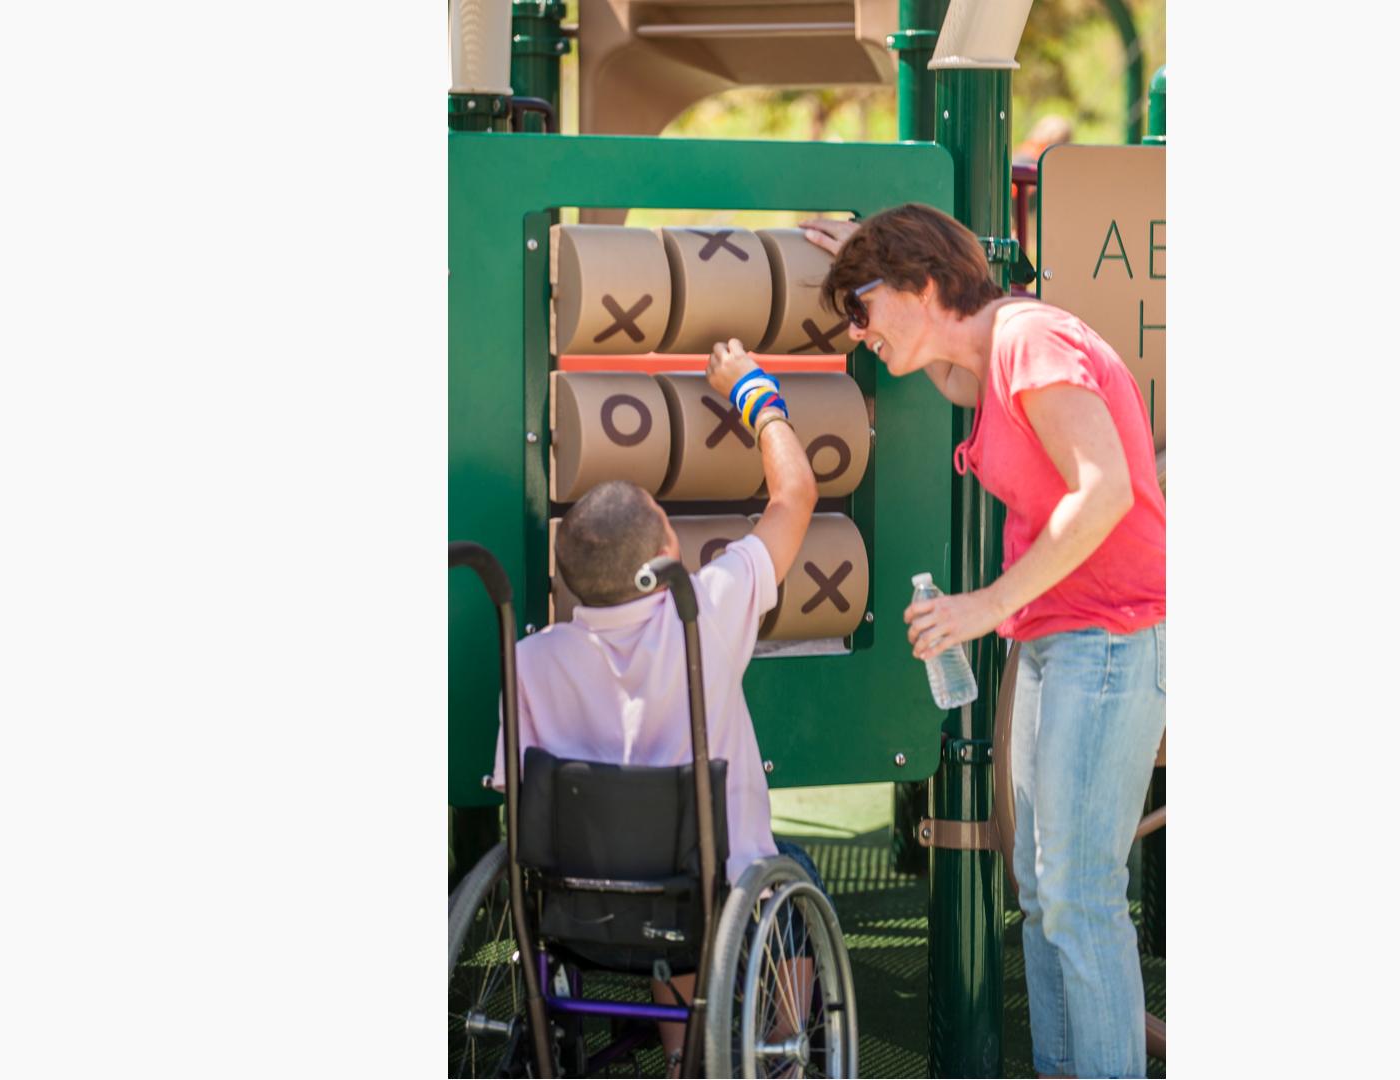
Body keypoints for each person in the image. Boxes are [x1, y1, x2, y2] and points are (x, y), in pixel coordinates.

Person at [804, 204, 1167, 1079]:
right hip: (1059, 640)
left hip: (1109, 639)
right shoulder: (977, 360)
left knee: (1079, 898)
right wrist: (857, 256)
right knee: (1046, 894)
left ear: (921, 286)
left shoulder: (1030, 341)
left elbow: (1105, 489)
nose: (855, 334)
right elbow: (945, 360)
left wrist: (981, 607)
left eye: (861, 309)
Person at [493, 338, 823, 1077]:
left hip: (584, 903)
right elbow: (795, 496)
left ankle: (682, 1060)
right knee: (785, 869)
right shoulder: (706, 610)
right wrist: (753, 393)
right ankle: (786, 1047)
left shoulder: (529, 662)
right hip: (712, 888)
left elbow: (514, 786)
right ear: (664, 557)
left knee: (653, 868)